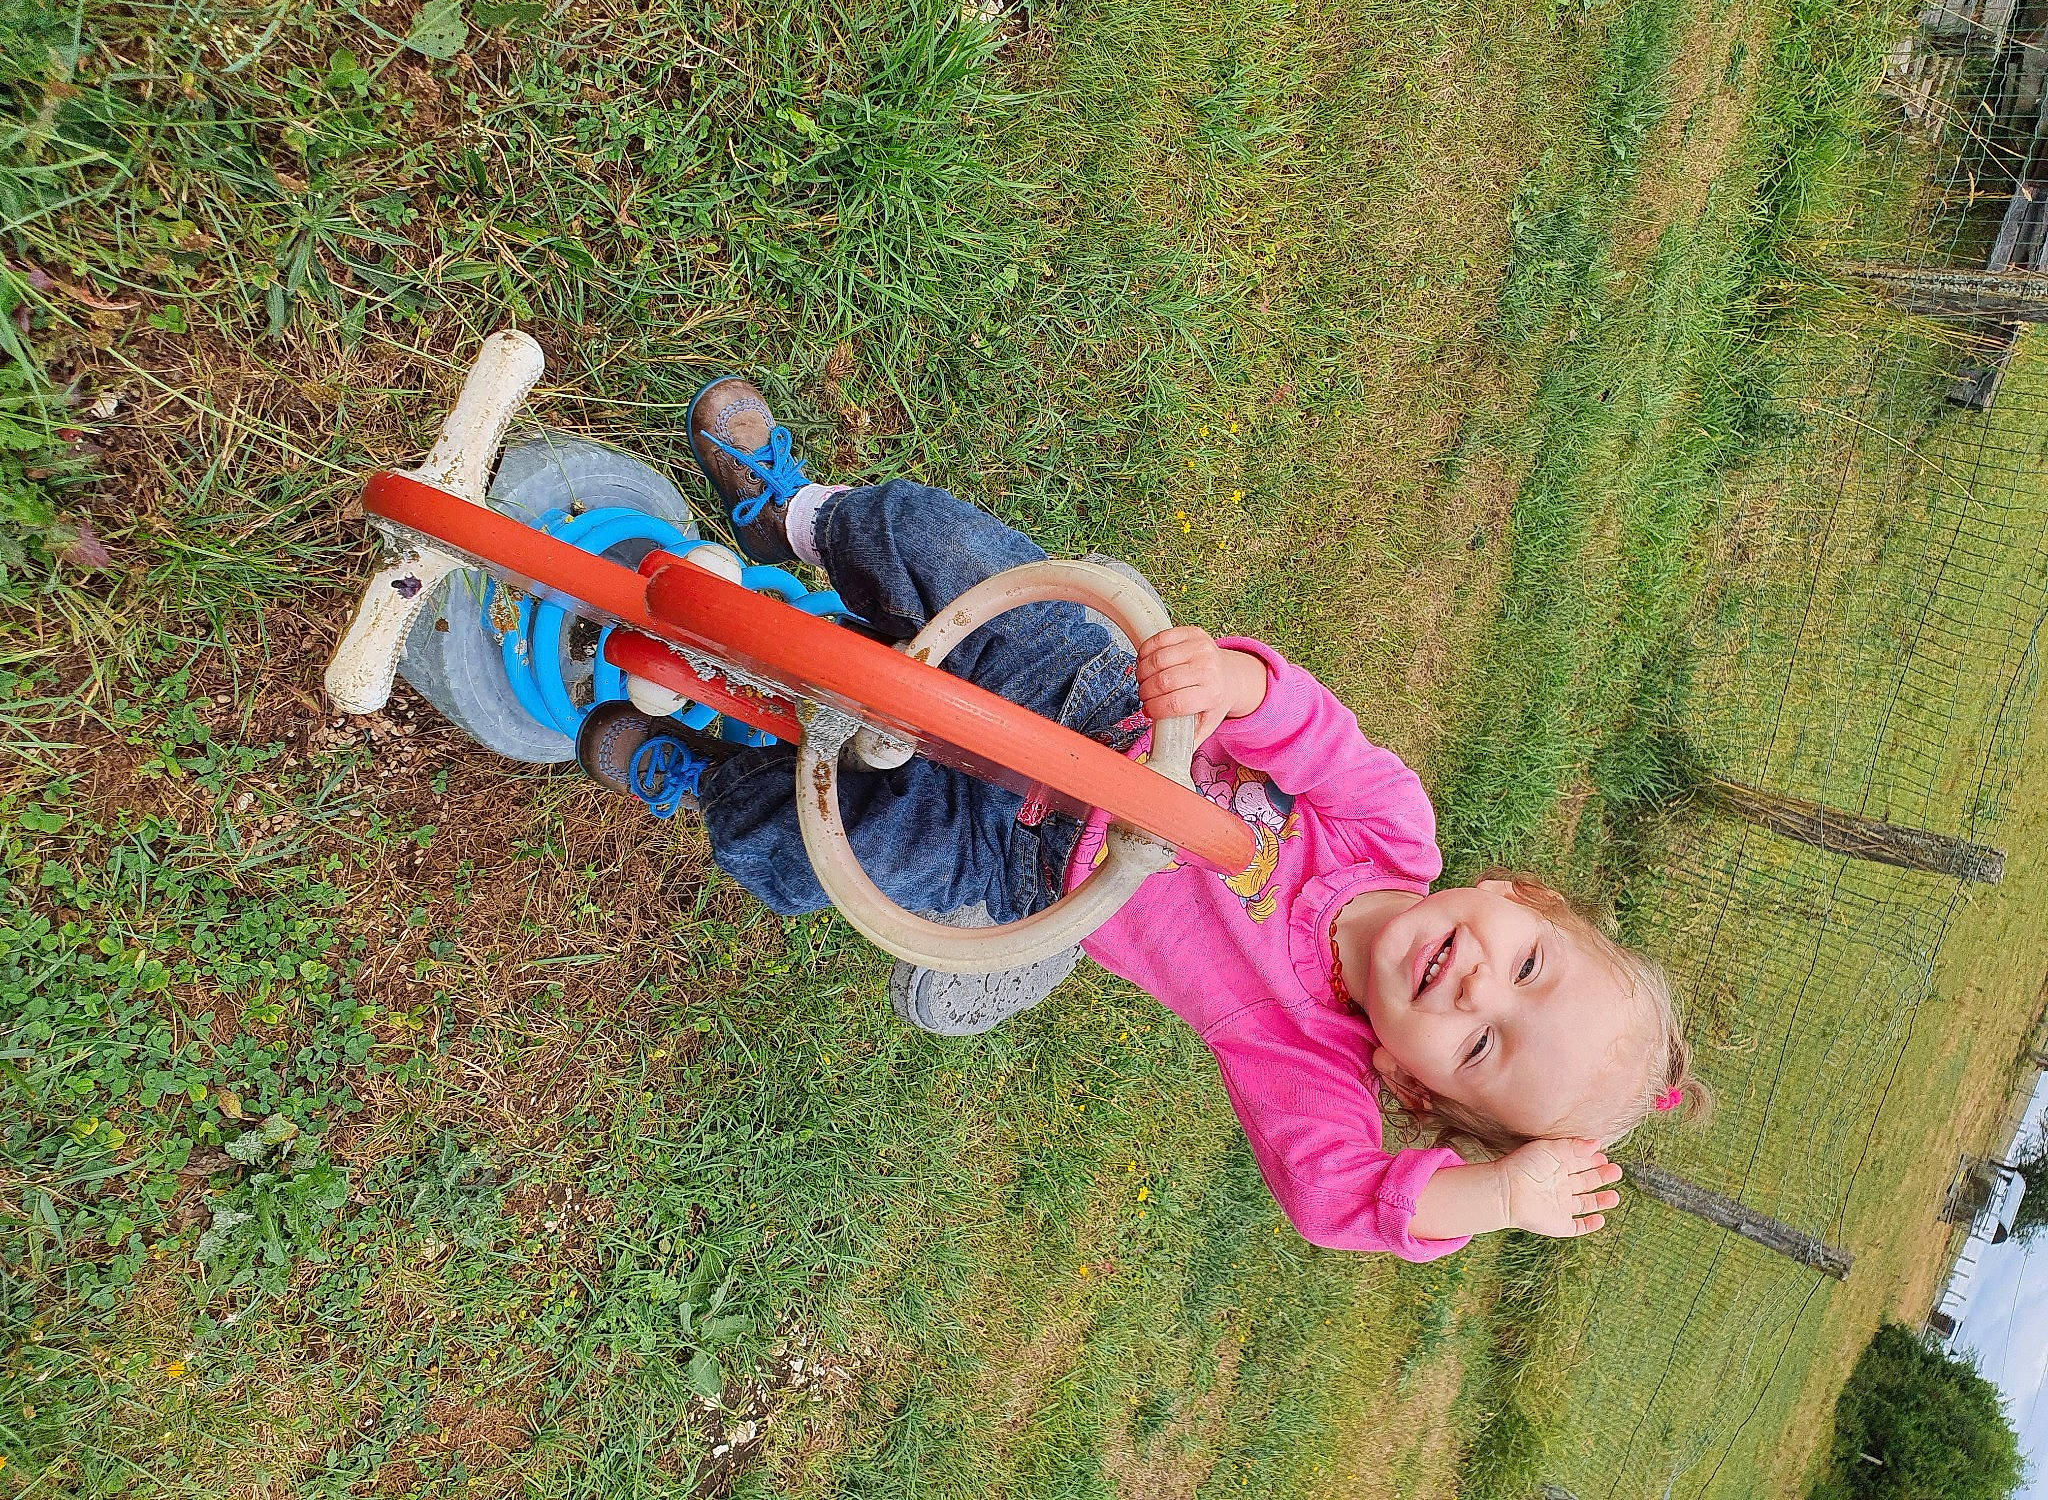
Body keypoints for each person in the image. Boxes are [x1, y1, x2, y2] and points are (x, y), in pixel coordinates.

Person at [576, 376, 1708, 1259]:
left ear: (1413, 1087)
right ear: (1519, 896)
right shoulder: (1393, 832)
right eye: (1525, 967)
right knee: (934, 540)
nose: (1473, 991)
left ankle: (698, 776)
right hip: (1078, 692)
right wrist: (1234, 685)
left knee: (831, 853)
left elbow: (1332, 1201)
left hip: (1020, 862)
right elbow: (1308, 726)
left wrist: (1496, 1196)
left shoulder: (1305, 1055)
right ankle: (795, 517)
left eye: (1478, 1047)